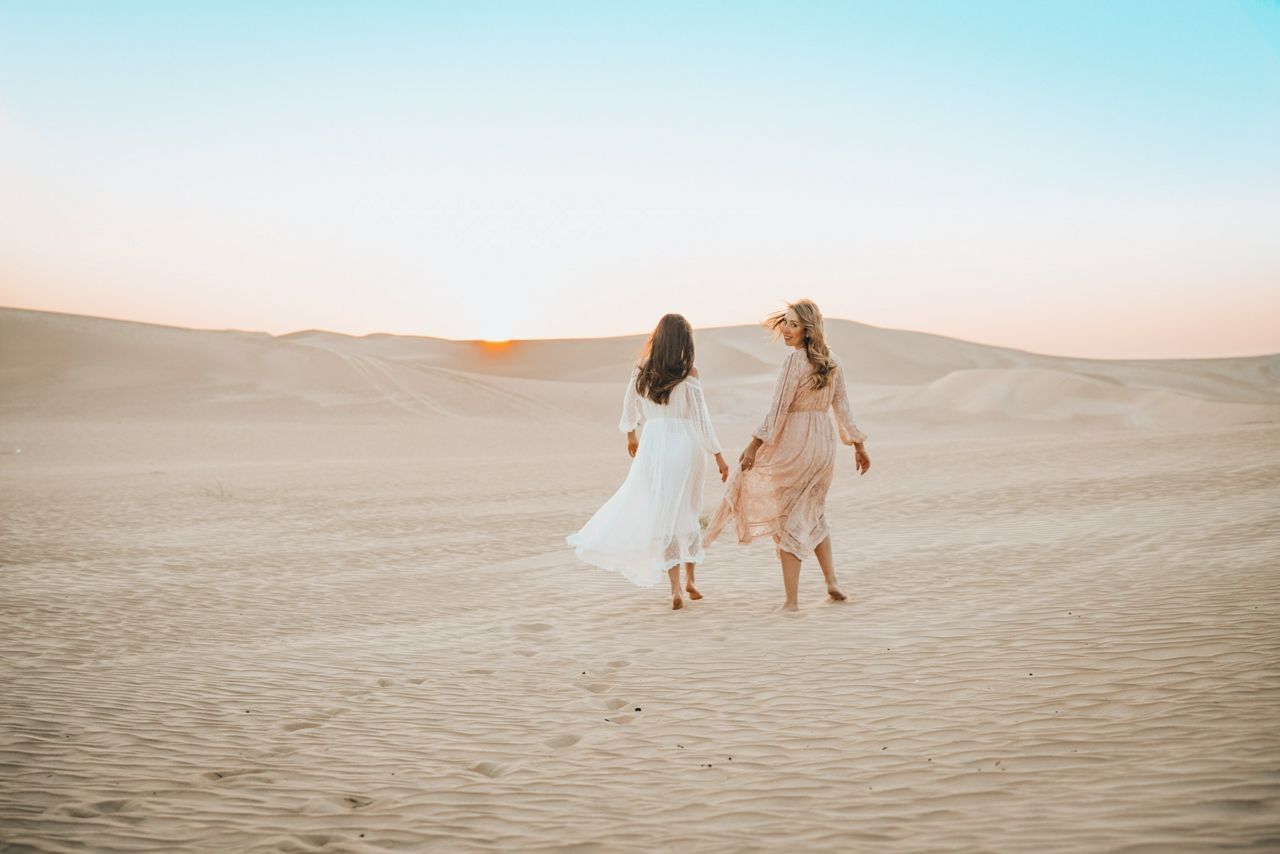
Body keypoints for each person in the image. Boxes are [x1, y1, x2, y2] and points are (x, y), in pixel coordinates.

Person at [706, 299, 870, 612]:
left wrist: (755, 444)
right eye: (786, 322)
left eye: (794, 325)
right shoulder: (833, 361)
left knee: (788, 518)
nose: (787, 330)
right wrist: (858, 446)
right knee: (815, 512)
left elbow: (778, 409)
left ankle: (791, 601)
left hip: (796, 441)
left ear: (809, 330)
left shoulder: (795, 362)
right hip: (824, 443)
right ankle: (831, 582)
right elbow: (843, 409)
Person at [568, 313, 730, 609]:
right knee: (689, 511)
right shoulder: (690, 374)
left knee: (666, 513)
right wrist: (717, 453)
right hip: (687, 446)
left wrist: (631, 436)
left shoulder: (641, 372)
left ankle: (675, 589)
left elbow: (628, 407)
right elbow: (702, 419)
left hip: (654, 446)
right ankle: (692, 579)